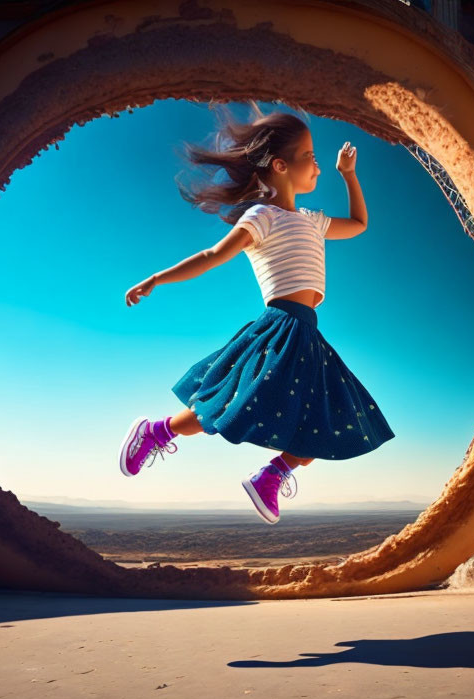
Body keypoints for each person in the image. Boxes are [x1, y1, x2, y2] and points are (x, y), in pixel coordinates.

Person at [118, 106, 396, 524]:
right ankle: (155, 431)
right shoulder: (262, 216)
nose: (318, 164)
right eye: (311, 156)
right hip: (279, 326)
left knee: (329, 419)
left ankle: (271, 475)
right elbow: (213, 255)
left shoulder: (312, 220)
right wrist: (157, 278)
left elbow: (358, 223)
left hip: (308, 331)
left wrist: (348, 174)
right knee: (230, 402)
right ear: (282, 166)